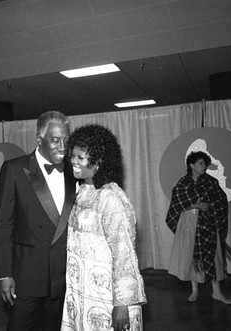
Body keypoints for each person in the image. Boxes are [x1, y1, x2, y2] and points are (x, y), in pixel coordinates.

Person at [0, 110, 77, 330]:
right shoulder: (13, 169)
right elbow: (4, 226)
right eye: (56, 140)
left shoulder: (73, 171)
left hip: (62, 278)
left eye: (66, 141)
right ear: (40, 139)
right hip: (27, 278)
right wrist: (4, 274)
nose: (62, 147)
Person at [61, 124, 146, 331]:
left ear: (99, 162)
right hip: (82, 293)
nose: (73, 161)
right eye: (72, 156)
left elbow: (124, 253)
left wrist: (122, 304)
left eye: (80, 157)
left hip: (107, 298)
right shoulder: (84, 190)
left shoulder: (111, 197)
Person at [165, 151, 231, 304]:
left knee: (213, 255)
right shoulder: (183, 183)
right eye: (200, 163)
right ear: (192, 165)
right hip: (190, 223)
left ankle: (217, 292)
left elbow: (221, 199)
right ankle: (194, 290)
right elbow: (176, 204)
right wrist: (195, 205)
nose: (204, 166)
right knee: (192, 256)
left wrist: (210, 205)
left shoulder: (211, 182)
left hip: (208, 223)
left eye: (205, 163)